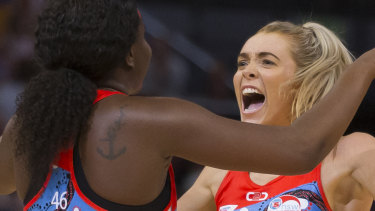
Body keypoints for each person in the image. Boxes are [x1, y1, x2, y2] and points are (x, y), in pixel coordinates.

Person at [0, 0, 374, 209]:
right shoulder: (152, 122)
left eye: (266, 61)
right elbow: (301, 148)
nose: (246, 72)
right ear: (131, 54)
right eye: (145, 39)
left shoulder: (27, 124)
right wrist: (367, 64)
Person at [178, 21, 375, 211]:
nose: (247, 71)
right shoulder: (221, 172)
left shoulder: (350, 151)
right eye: (242, 63)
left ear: (306, 80)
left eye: (267, 62)